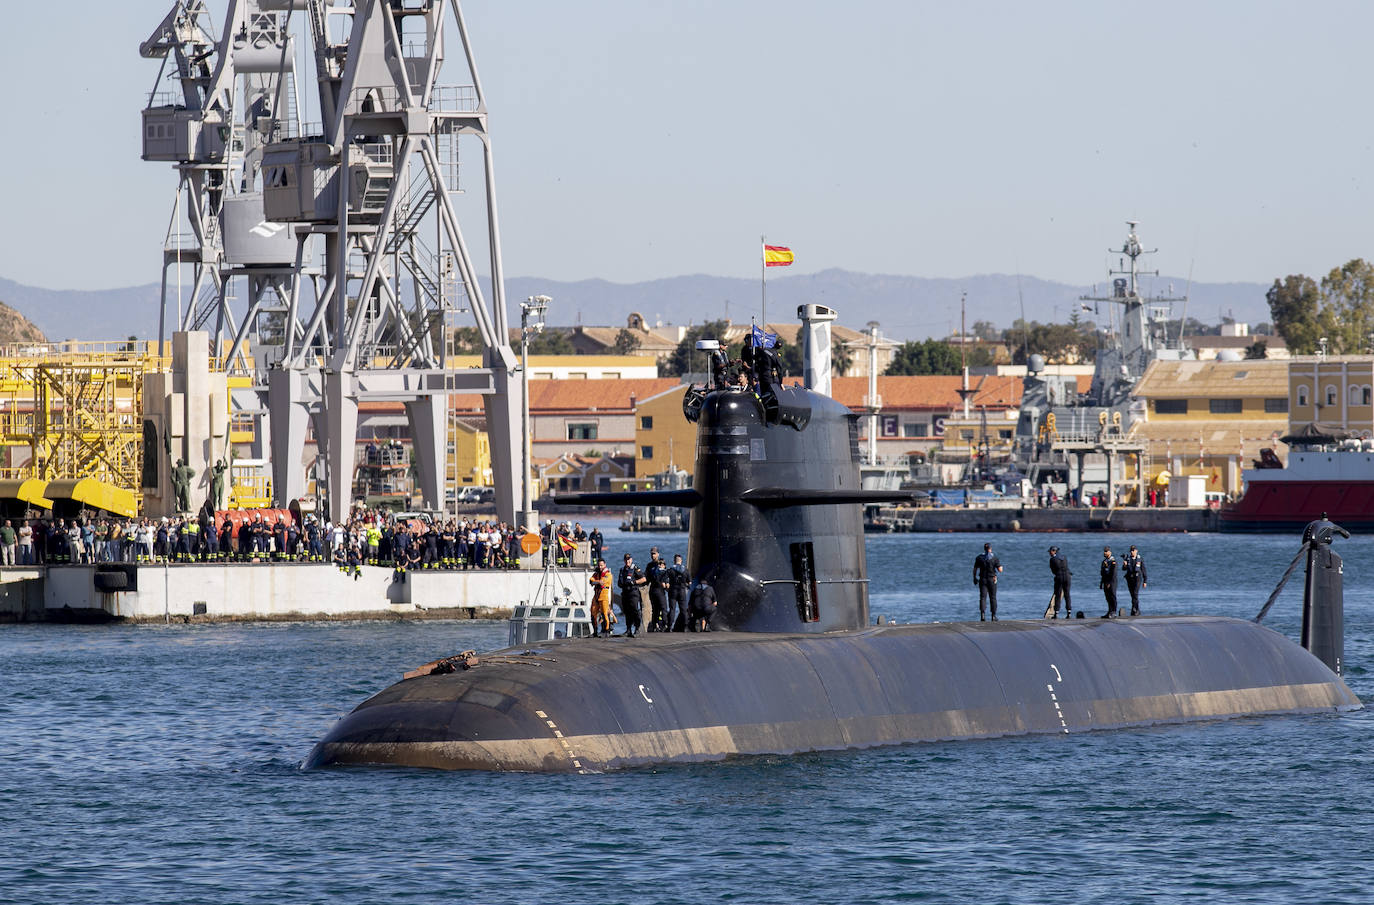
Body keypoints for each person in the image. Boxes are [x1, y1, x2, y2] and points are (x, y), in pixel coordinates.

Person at [617, 553, 646, 637]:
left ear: (631, 560)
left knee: (635, 610)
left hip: (633, 593)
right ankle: (628, 629)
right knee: (627, 611)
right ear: (624, 560)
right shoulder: (622, 570)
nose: (627, 561)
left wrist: (634, 582)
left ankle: (637, 628)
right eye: (626, 560)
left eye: (629, 559)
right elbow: (619, 582)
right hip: (625, 593)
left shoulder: (635, 568)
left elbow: (644, 579)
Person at [972, 542, 1003, 621]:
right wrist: (1001, 566)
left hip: (982, 579)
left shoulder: (979, 557)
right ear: (990, 548)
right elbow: (1000, 570)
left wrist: (974, 578)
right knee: (993, 597)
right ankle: (993, 616)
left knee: (982, 597)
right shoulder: (994, 558)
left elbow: (975, 569)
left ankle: (982, 616)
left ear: (984, 548)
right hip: (992, 579)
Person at [644, 547, 670, 631]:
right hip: (653, 589)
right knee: (655, 609)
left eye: (654, 553)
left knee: (663, 608)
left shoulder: (661, 563)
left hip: (660, 589)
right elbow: (646, 578)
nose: (653, 555)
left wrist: (667, 584)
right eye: (651, 554)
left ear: (658, 554)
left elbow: (666, 575)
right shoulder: (649, 565)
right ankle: (655, 625)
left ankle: (664, 625)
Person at [589, 558, 616, 637]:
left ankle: (606, 630)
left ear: (605, 565)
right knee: (593, 613)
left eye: (601, 565)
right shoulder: (596, 574)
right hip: (596, 595)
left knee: (605, 613)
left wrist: (595, 582)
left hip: (604, 595)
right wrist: (597, 582)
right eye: (599, 565)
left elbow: (602, 582)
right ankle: (595, 631)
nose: (600, 567)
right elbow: (591, 581)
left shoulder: (608, 574)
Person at [1045, 545, 1073, 619]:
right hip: (1067, 576)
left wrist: (1057, 574)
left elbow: (1053, 571)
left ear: (1054, 551)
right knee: (1067, 595)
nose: (1049, 553)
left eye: (1050, 551)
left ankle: (1056, 613)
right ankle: (1069, 612)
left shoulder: (1052, 560)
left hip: (1059, 577)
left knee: (1058, 595)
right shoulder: (1064, 557)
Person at [666, 553, 690, 631]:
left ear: (674, 561)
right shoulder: (685, 570)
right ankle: (685, 627)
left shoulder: (670, 570)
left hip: (673, 591)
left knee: (672, 609)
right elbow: (689, 582)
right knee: (683, 609)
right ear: (681, 561)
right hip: (682, 591)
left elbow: (666, 580)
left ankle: (669, 627)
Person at [1123, 544, 1148, 616]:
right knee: (1132, 595)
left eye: (1133, 550)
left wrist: (1145, 581)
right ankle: (1135, 609)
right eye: (1131, 550)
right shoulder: (1128, 559)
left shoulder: (1140, 559)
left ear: (1136, 551)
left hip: (1137, 578)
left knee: (1135, 594)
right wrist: (1124, 565)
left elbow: (1143, 570)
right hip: (1130, 578)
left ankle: (1135, 609)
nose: (1132, 552)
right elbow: (1124, 569)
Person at [1099, 546, 1119, 618]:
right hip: (1105, 582)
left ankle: (1114, 611)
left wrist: (1109, 583)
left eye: (1106, 551)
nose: (1104, 553)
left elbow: (1113, 573)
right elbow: (1103, 573)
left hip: (1112, 582)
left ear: (1110, 552)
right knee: (1107, 597)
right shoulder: (1104, 562)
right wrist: (1102, 583)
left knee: (1112, 596)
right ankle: (1109, 611)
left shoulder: (1113, 561)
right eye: (1104, 551)